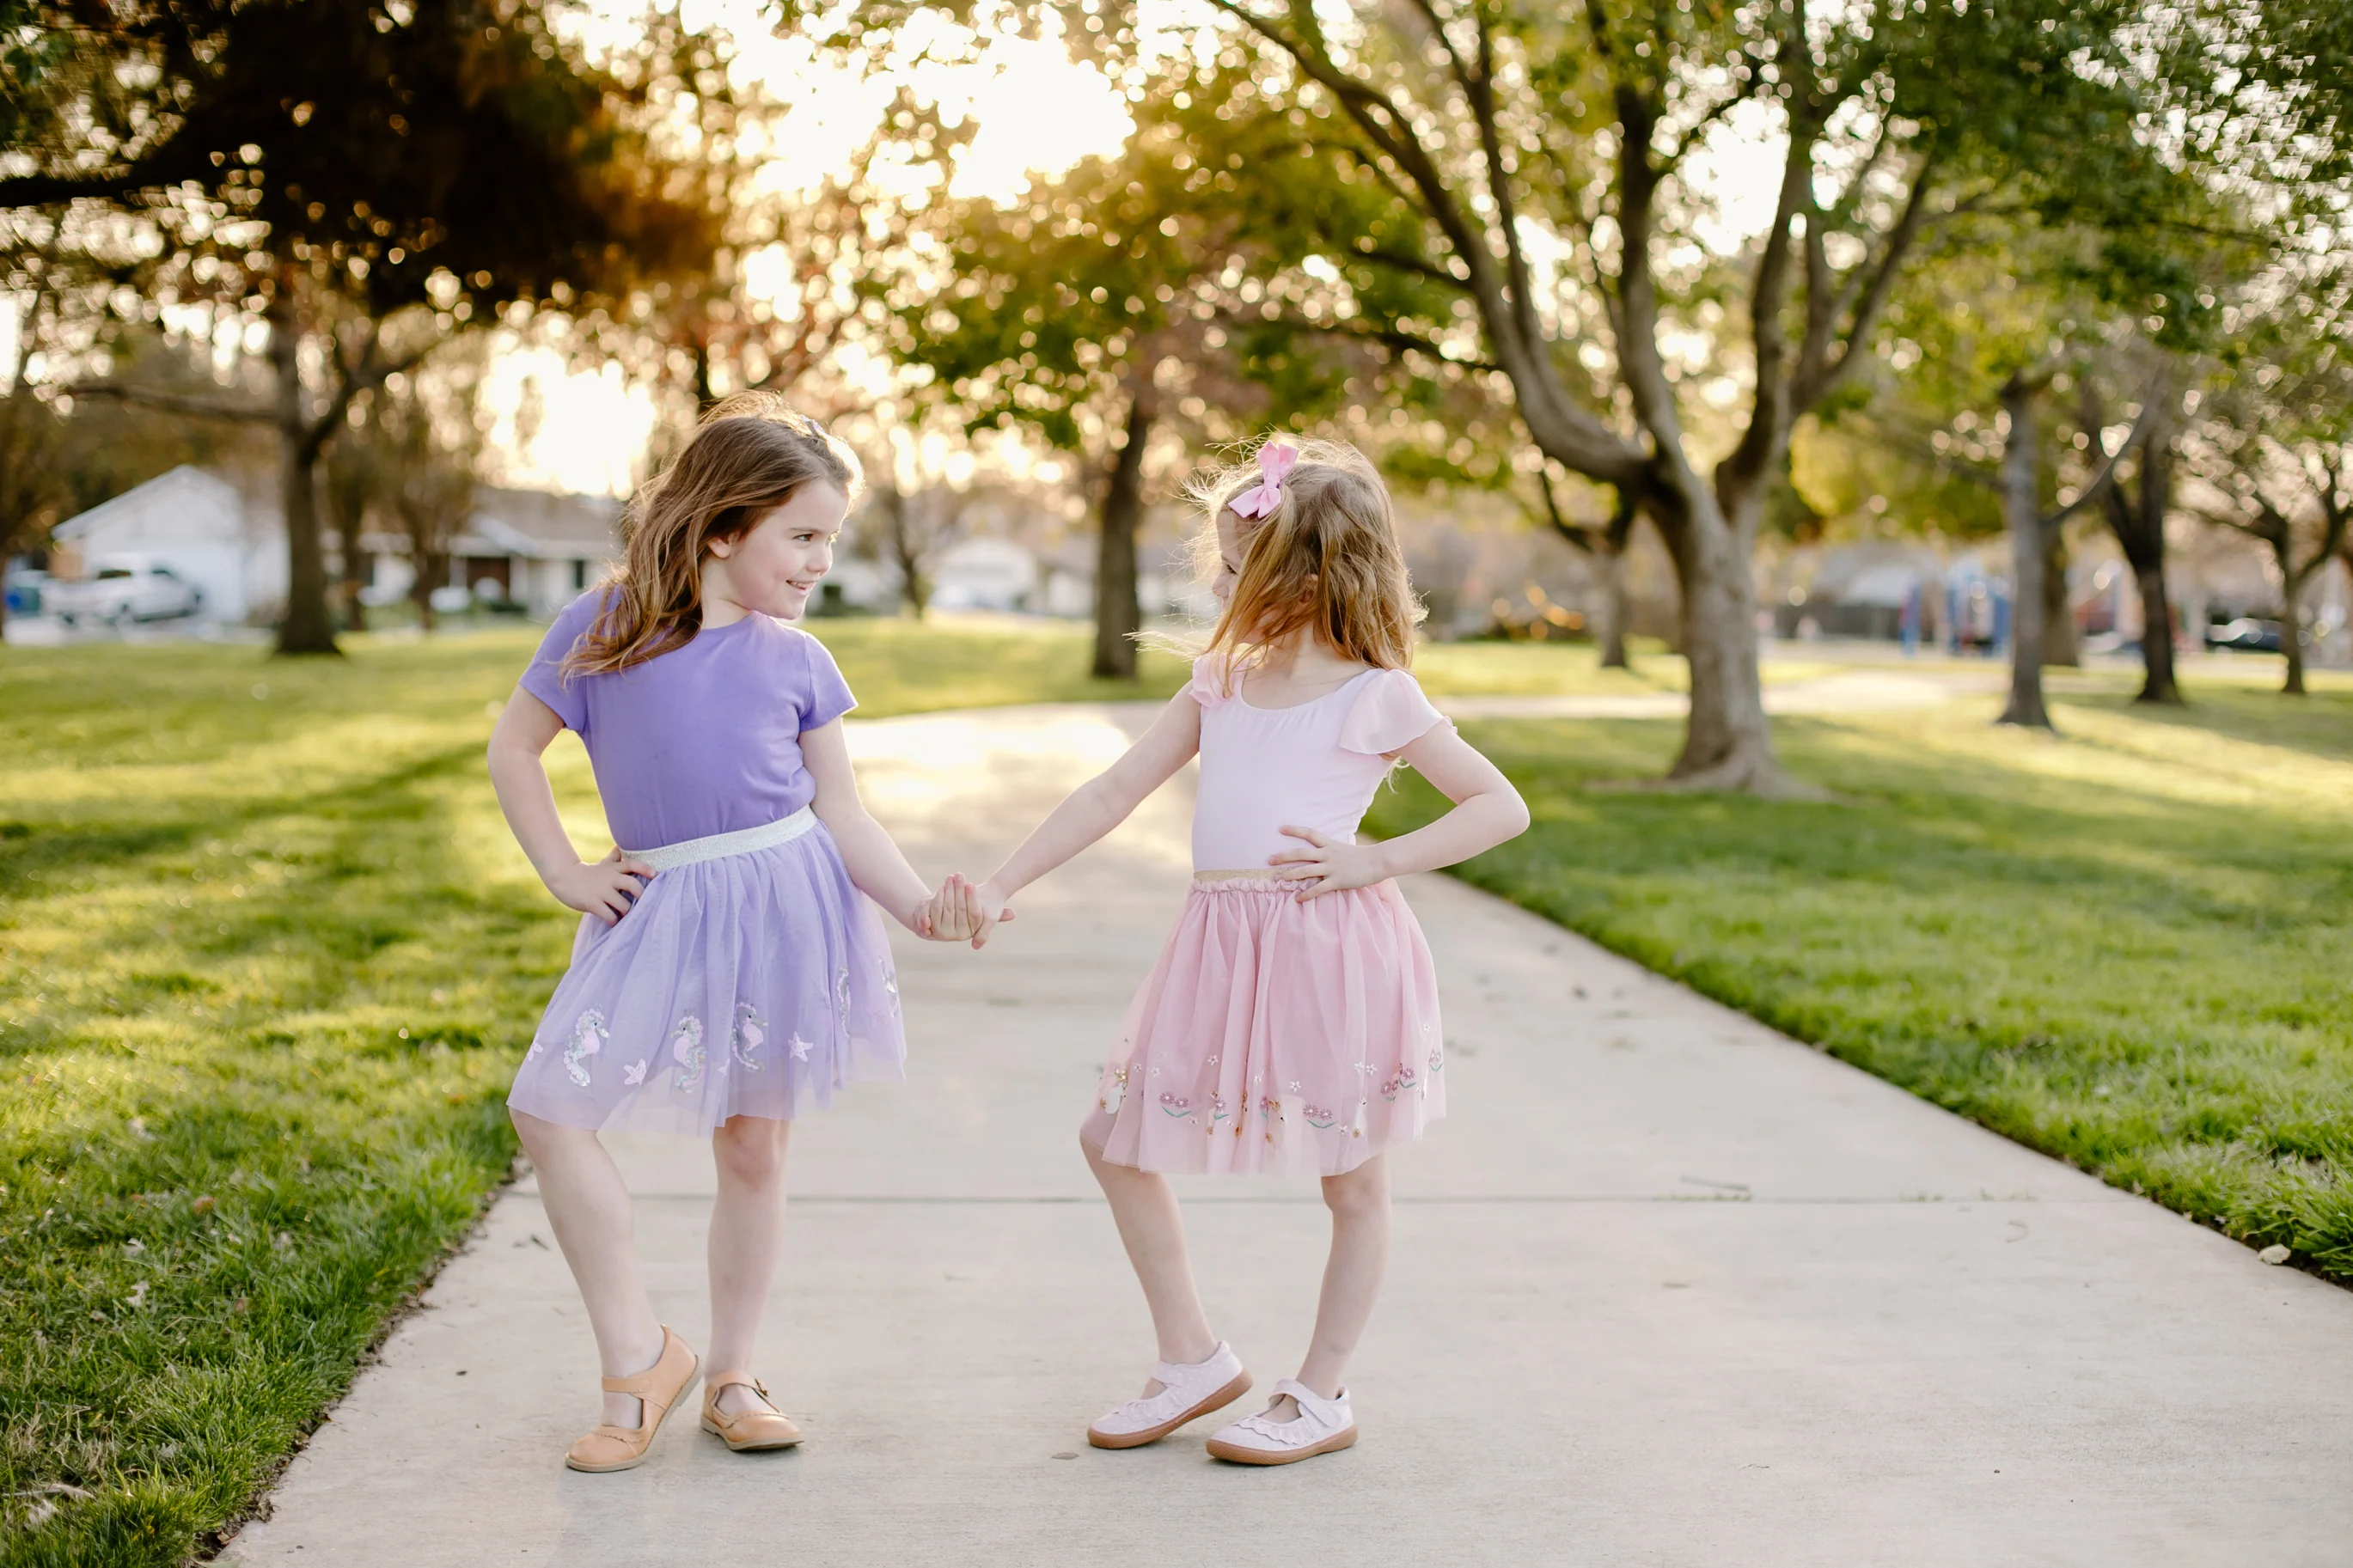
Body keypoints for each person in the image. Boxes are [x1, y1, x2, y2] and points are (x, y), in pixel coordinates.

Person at [932, 437, 1529, 1466]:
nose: (1216, 585)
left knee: (1350, 1182)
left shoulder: (1375, 694)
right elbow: (1112, 791)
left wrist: (1373, 859)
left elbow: (1497, 805)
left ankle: (1321, 1391)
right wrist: (999, 883)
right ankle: (1192, 1358)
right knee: (1111, 1138)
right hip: (1217, 949)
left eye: (1234, 566)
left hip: (1330, 951)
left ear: (1309, 575)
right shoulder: (1218, 684)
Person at [486, 394, 977, 1473]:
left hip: (782, 905)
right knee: (549, 1110)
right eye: (801, 536)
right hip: (656, 909)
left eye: (829, 540)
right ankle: (640, 1357)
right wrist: (565, 871)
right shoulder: (602, 625)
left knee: (753, 1144)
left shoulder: (797, 660)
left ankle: (733, 1375)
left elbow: (843, 813)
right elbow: (513, 750)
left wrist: (914, 907)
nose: (820, 562)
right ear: (721, 528)